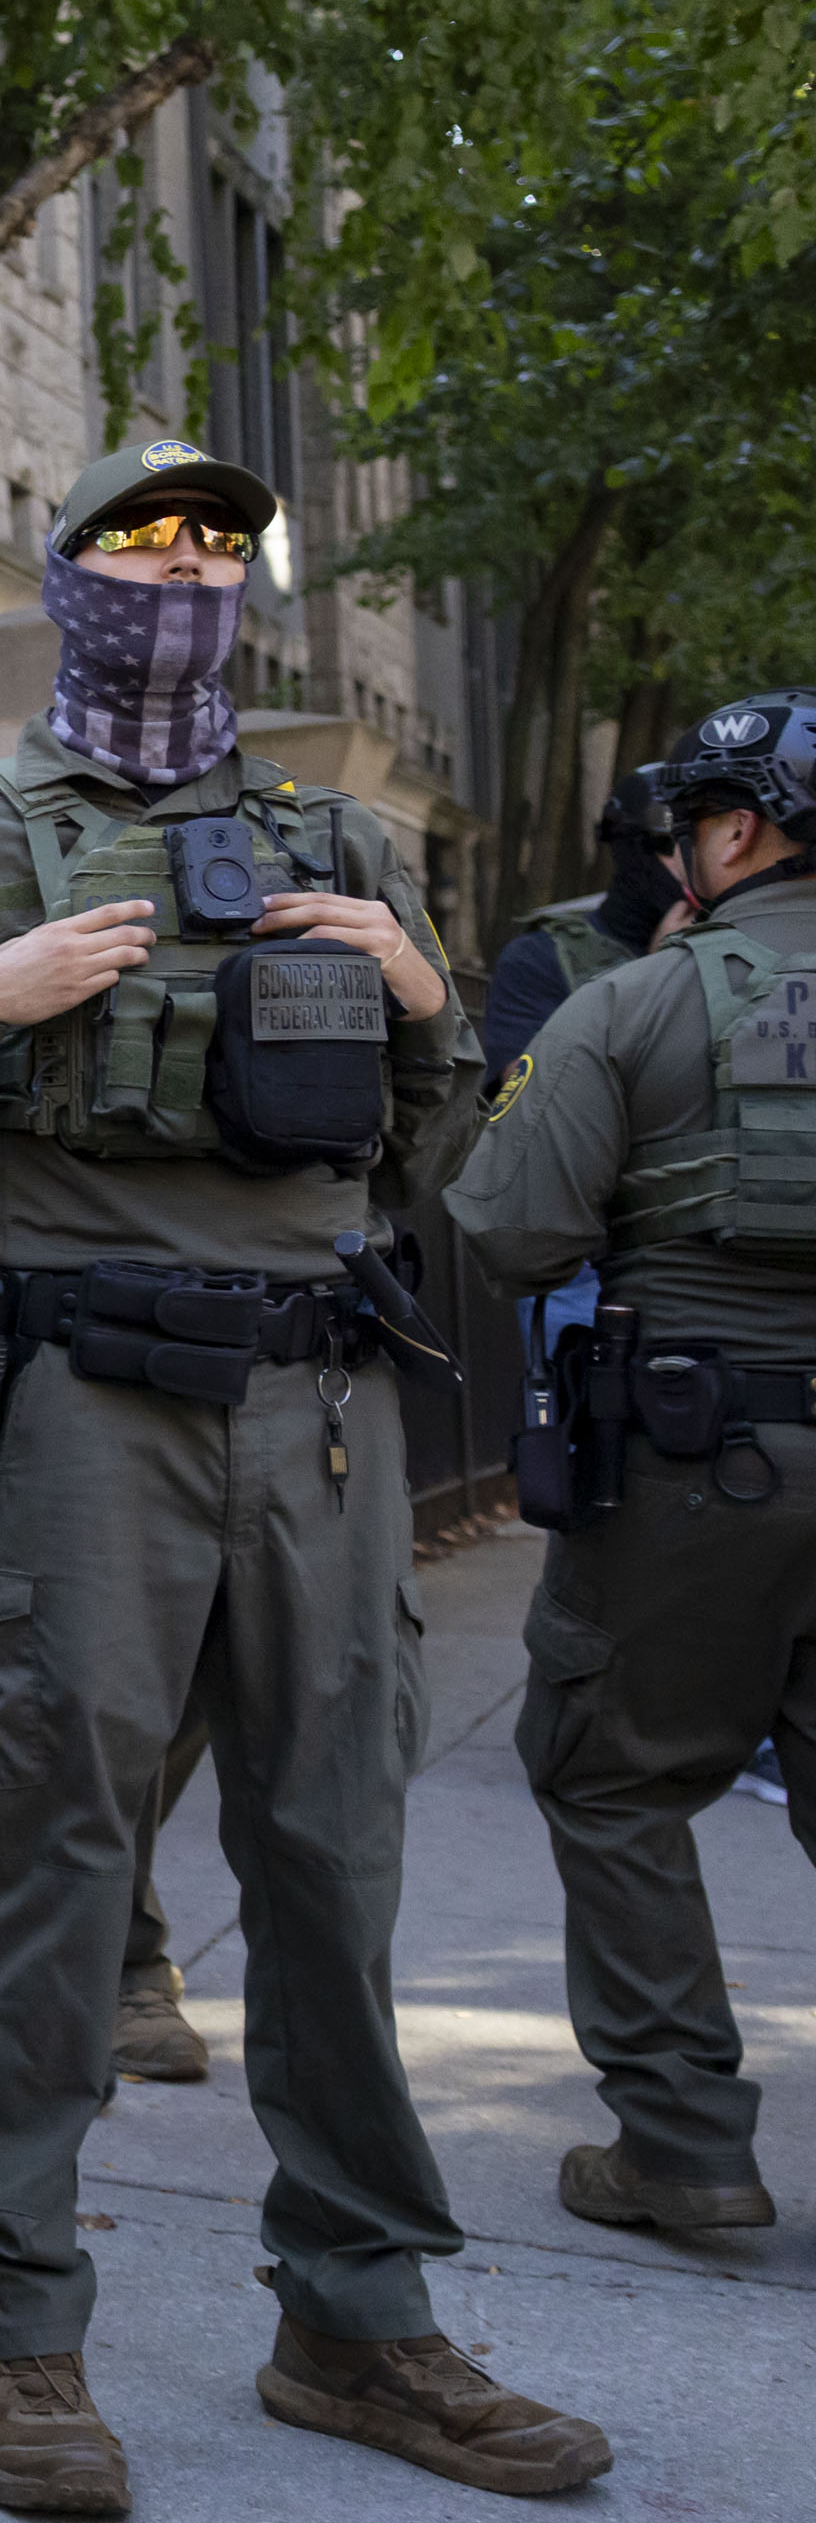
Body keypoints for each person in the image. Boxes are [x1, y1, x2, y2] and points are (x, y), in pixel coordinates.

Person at [0, 435, 608, 2518]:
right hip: (78, 1413)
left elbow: (459, 1194)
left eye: (221, 547)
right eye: (142, 543)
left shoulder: (337, 833)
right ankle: (12, 2328)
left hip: (318, 1418)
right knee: (51, 1864)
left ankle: (354, 2313)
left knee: (334, 1860)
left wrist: (429, 1009)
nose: (185, 575)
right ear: (66, 575)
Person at [452, 688, 816, 2238]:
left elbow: (513, 1225)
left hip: (699, 1454)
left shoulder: (642, 1001)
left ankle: (681, 2142)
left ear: (731, 833)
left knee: (611, 1768)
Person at [482, 762, 681, 1088]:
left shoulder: (739, 937)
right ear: (635, 851)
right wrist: (661, 975)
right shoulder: (538, 958)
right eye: (678, 844)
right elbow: (528, 1096)